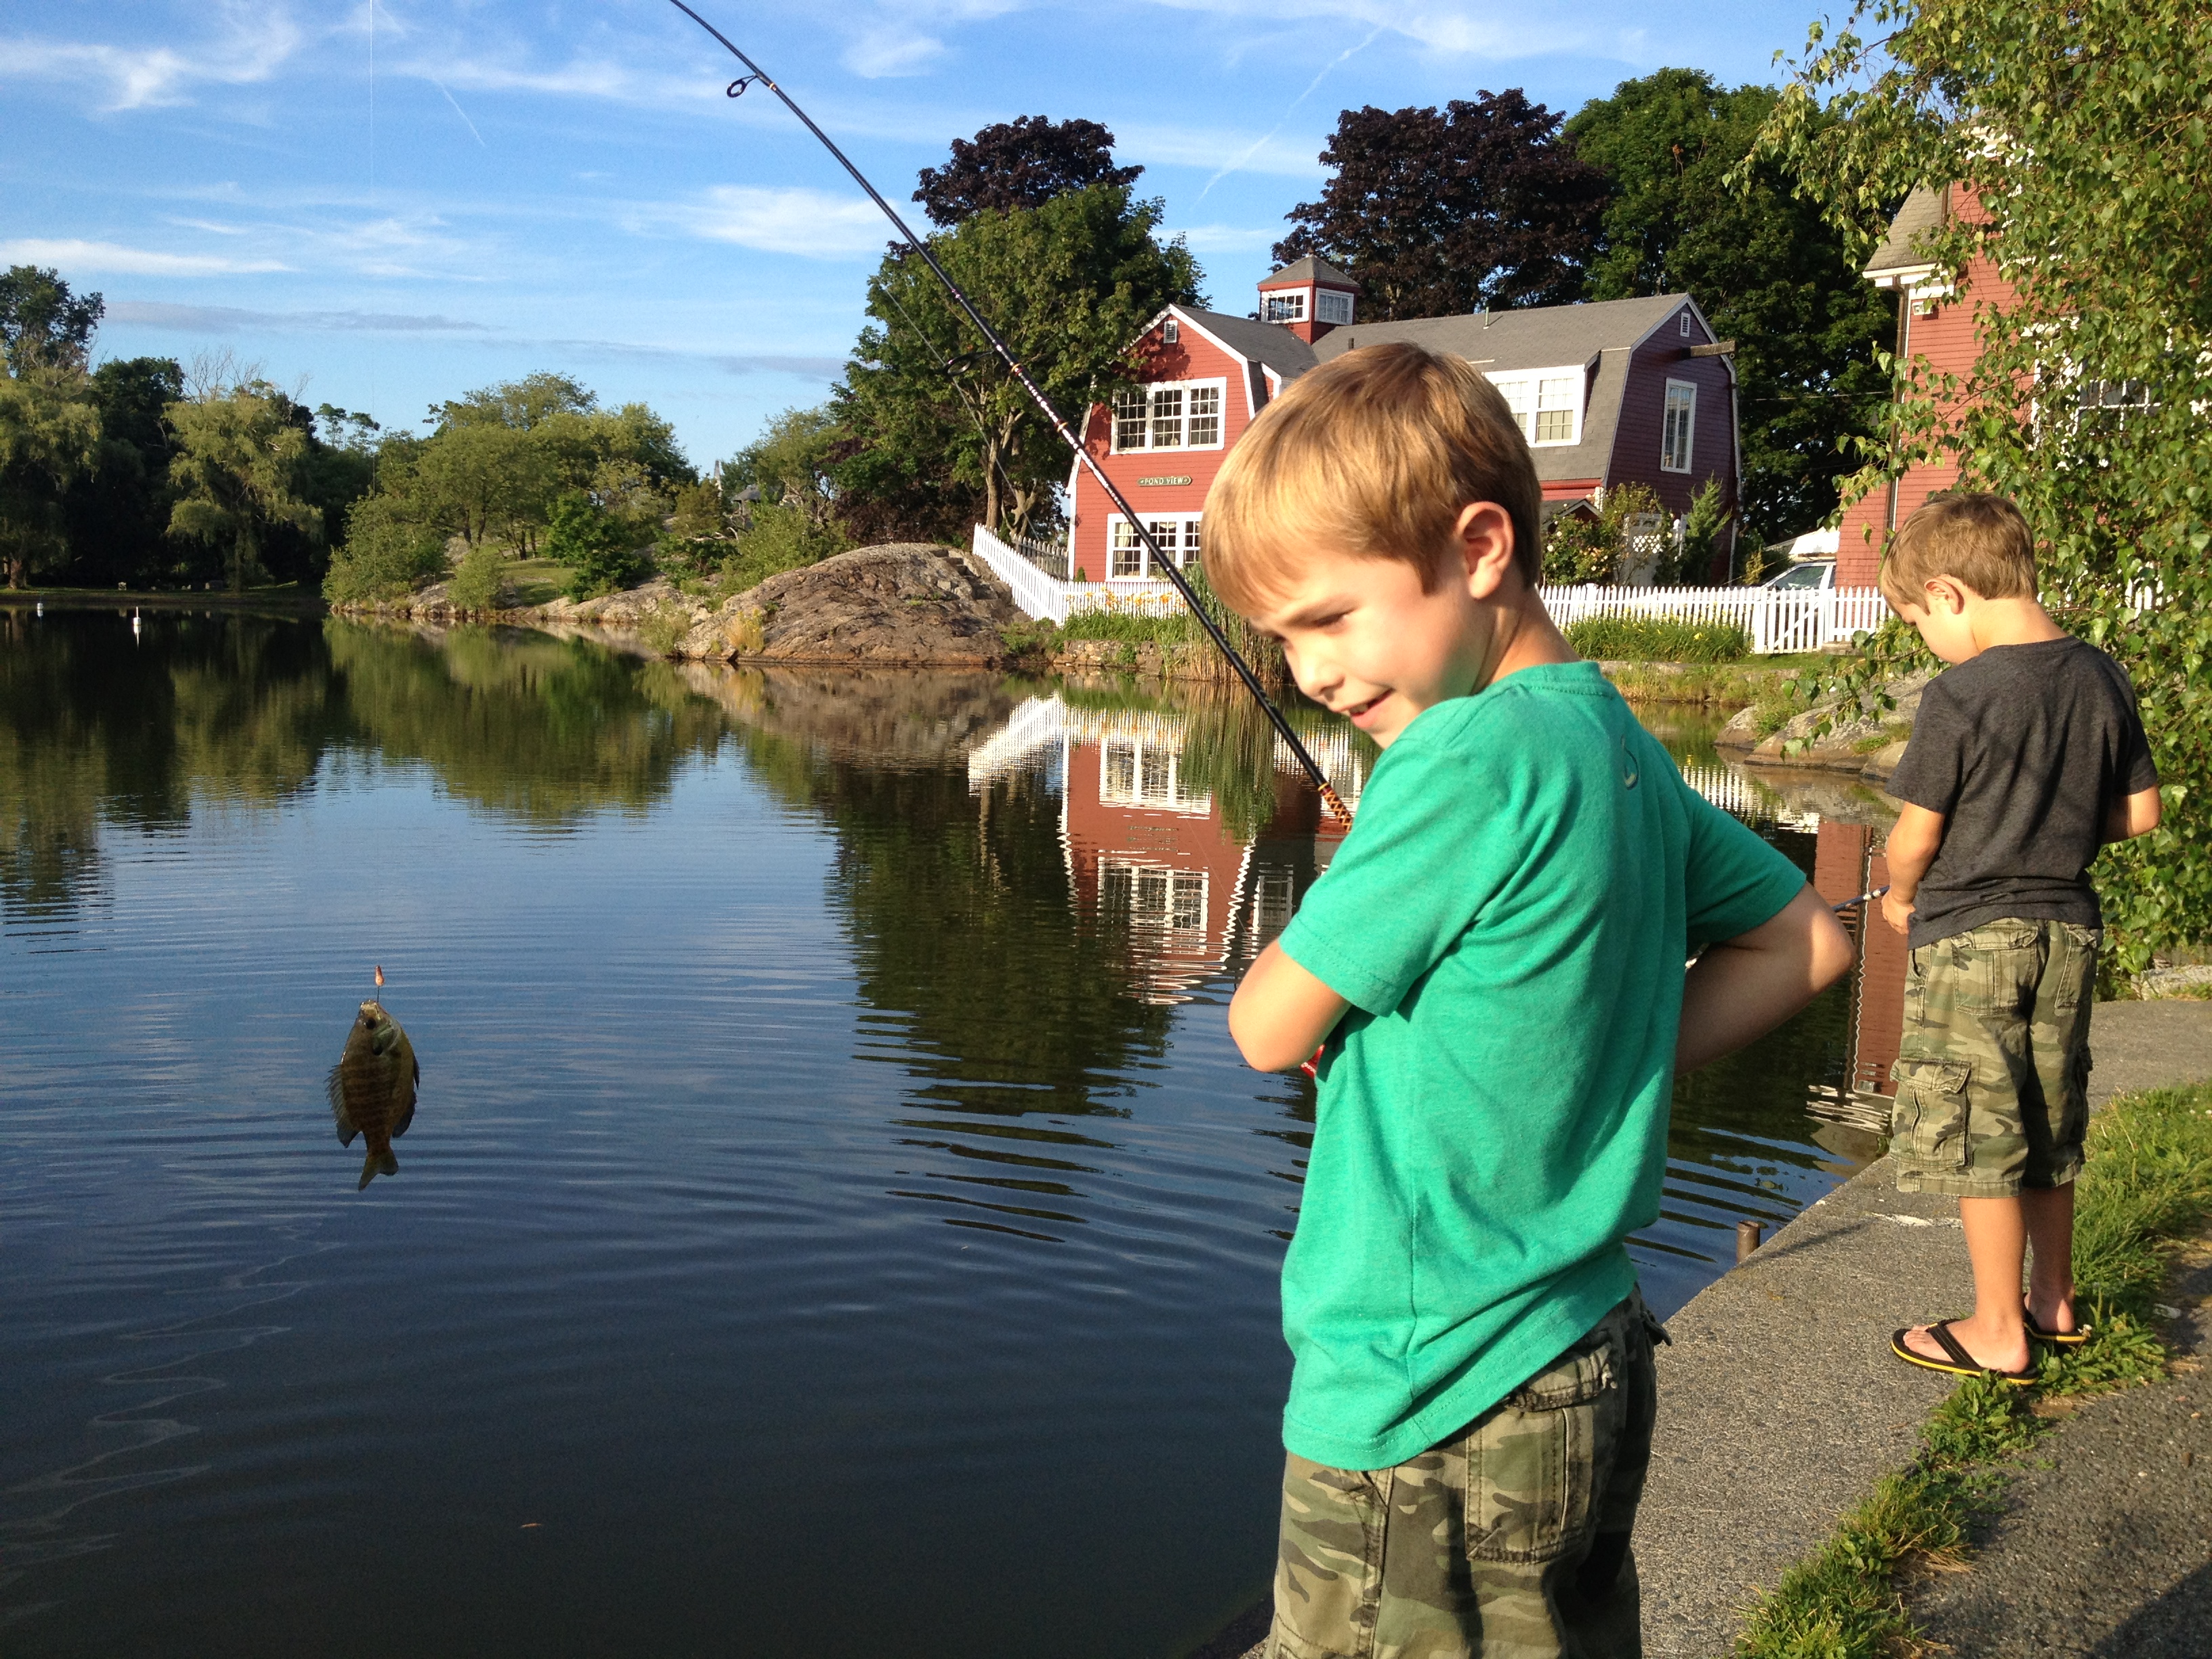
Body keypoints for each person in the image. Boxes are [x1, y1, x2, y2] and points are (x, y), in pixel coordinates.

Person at [1204, 341, 1856, 1659]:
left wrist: (1355, 864)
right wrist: (1590, 1065)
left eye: (1328, 618)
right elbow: (1805, 947)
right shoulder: (1607, 737)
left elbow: (1265, 1028)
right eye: (1281, 642)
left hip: (1424, 1382)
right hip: (1582, 1353)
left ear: (1482, 546)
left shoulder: (1456, 761)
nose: (1310, 675)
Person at [1876, 493, 2161, 1385]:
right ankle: (2054, 1301)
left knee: (1977, 1124)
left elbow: (1915, 835)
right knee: (2047, 1115)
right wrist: (2056, 832)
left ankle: (1998, 1330)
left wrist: (1899, 895)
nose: (1928, 638)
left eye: (1920, 620)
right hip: (2068, 933)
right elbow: (2140, 814)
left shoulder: (1960, 693)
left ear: (1949, 593)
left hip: (1971, 940)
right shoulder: (2102, 676)